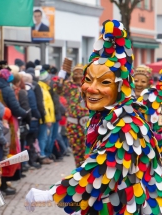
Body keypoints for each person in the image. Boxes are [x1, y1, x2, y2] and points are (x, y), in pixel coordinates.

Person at [25, 20, 162, 215]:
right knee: (81, 159)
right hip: (79, 133)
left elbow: (105, 165)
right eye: (87, 79)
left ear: (120, 87)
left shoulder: (128, 122)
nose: (91, 88)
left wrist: (53, 193)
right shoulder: (104, 115)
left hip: (131, 207)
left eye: (104, 82)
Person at [55, 63, 89, 167]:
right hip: (73, 124)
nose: (78, 75)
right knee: (77, 151)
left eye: (80, 73)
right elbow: (58, 89)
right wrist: (61, 76)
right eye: (76, 73)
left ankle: (87, 173)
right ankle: (79, 173)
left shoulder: (89, 85)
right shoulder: (69, 85)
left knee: (88, 151)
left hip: (88, 123)